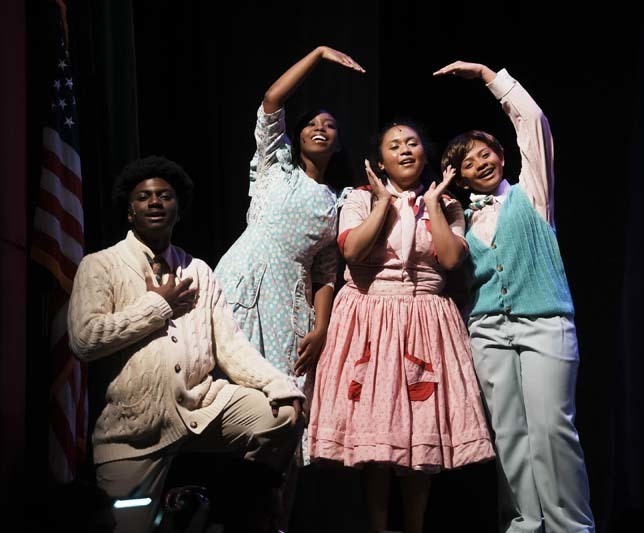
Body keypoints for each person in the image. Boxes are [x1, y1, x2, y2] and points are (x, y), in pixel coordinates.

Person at [67, 155, 305, 533]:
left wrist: (279, 385)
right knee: (125, 528)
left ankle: (243, 505)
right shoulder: (101, 265)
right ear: (130, 212)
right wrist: (157, 307)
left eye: (165, 196)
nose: (156, 202)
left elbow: (231, 346)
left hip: (203, 406)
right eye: (145, 197)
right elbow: (85, 340)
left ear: (178, 210)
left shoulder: (198, 271)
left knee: (282, 414)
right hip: (134, 428)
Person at [308, 119, 495, 533]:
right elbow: (354, 251)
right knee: (377, 431)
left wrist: (431, 205)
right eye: (395, 145)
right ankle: (378, 528)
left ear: (425, 154)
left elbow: (449, 260)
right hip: (371, 316)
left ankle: (416, 527)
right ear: (381, 160)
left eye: (412, 143)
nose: (406, 150)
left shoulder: (446, 205)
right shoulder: (358, 198)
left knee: (422, 432)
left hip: (426, 318)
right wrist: (380, 203)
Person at [436, 60, 595, 533]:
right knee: (509, 435)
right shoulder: (462, 219)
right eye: (468, 161)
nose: (480, 162)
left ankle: (570, 526)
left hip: (544, 321)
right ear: (459, 177)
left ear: (501, 156)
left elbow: (533, 122)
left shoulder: (533, 193)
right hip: (488, 330)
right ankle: (525, 524)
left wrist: (488, 76)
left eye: (485, 153)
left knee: (551, 428)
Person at [213, 45, 364, 527]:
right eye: (311, 123)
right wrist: (317, 55)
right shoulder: (274, 167)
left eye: (331, 126)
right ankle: (225, 513)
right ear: (297, 136)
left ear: (338, 144)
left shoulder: (336, 199)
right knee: (230, 394)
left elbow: (326, 271)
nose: (320, 128)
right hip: (243, 279)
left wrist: (321, 328)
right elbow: (272, 99)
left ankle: (273, 517)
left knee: (285, 409)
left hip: (291, 300)